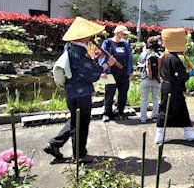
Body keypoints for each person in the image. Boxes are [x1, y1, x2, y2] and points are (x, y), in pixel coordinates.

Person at [45, 17, 116, 163]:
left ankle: (54, 144)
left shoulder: (70, 47)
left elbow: (86, 66)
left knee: (75, 120)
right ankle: (79, 155)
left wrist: (95, 57)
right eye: (89, 34)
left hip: (72, 92)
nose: (91, 37)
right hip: (81, 93)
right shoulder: (79, 52)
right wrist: (108, 64)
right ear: (83, 36)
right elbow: (92, 74)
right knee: (81, 124)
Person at [156, 28, 194, 144]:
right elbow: (180, 76)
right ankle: (185, 133)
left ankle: (163, 134)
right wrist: (190, 74)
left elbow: (172, 72)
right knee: (171, 110)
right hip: (173, 88)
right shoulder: (173, 58)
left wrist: (184, 69)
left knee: (171, 109)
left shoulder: (166, 56)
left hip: (168, 87)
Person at [100, 25, 134, 121]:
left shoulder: (126, 44)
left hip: (123, 74)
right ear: (117, 33)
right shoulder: (107, 43)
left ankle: (120, 112)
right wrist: (103, 71)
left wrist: (130, 72)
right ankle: (107, 113)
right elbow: (102, 57)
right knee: (109, 94)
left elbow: (130, 58)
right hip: (110, 73)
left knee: (123, 94)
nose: (125, 36)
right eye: (123, 34)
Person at [138, 36, 162, 123]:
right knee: (155, 98)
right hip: (157, 79)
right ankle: (155, 116)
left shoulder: (145, 53)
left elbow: (140, 63)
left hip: (146, 78)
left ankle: (143, 118)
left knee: (144, 99)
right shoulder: (159, 53)